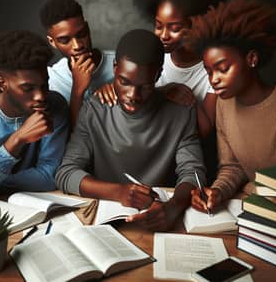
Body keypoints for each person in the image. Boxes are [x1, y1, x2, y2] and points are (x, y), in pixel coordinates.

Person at [56, 29, 206, 231]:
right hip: (105, 222)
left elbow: (193, 172)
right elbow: (66, 173)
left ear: (159, 74)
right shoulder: (94, 110)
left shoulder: (181, 112)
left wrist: (173, 208)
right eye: (124, 82)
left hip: (160, 219)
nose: (132, 95)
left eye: (144, 86)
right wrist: (118, 192)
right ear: (115, 68)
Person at [188, 0, 276, 213]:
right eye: (209, 71)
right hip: (245, 208)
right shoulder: (224, 104)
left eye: (223, 68)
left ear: (251, 59)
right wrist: (218, 191)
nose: (214, 79)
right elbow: (233, 166)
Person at [96, 0, 226, 138]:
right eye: (158, 26)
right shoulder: (152, 55)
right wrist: (112, 90)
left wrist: (190, 101)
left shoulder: (213, 68)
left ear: (198, 25)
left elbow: (206, 131)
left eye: (175, 28)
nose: (164, 35)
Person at [0, 30, 69, 200]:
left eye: (44, 86)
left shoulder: (55, 105)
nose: (41, 96)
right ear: (2, 84)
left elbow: (49, 177)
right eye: (28, 88)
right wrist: (17, 140)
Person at [39, 0, 114, 127]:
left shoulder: (120, 63)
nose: (77, 45)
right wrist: (77, 91)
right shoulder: (51, 79)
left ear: (88, 28)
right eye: (65, 40)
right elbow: (69, 138)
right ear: (52, 42)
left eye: (81, 34)